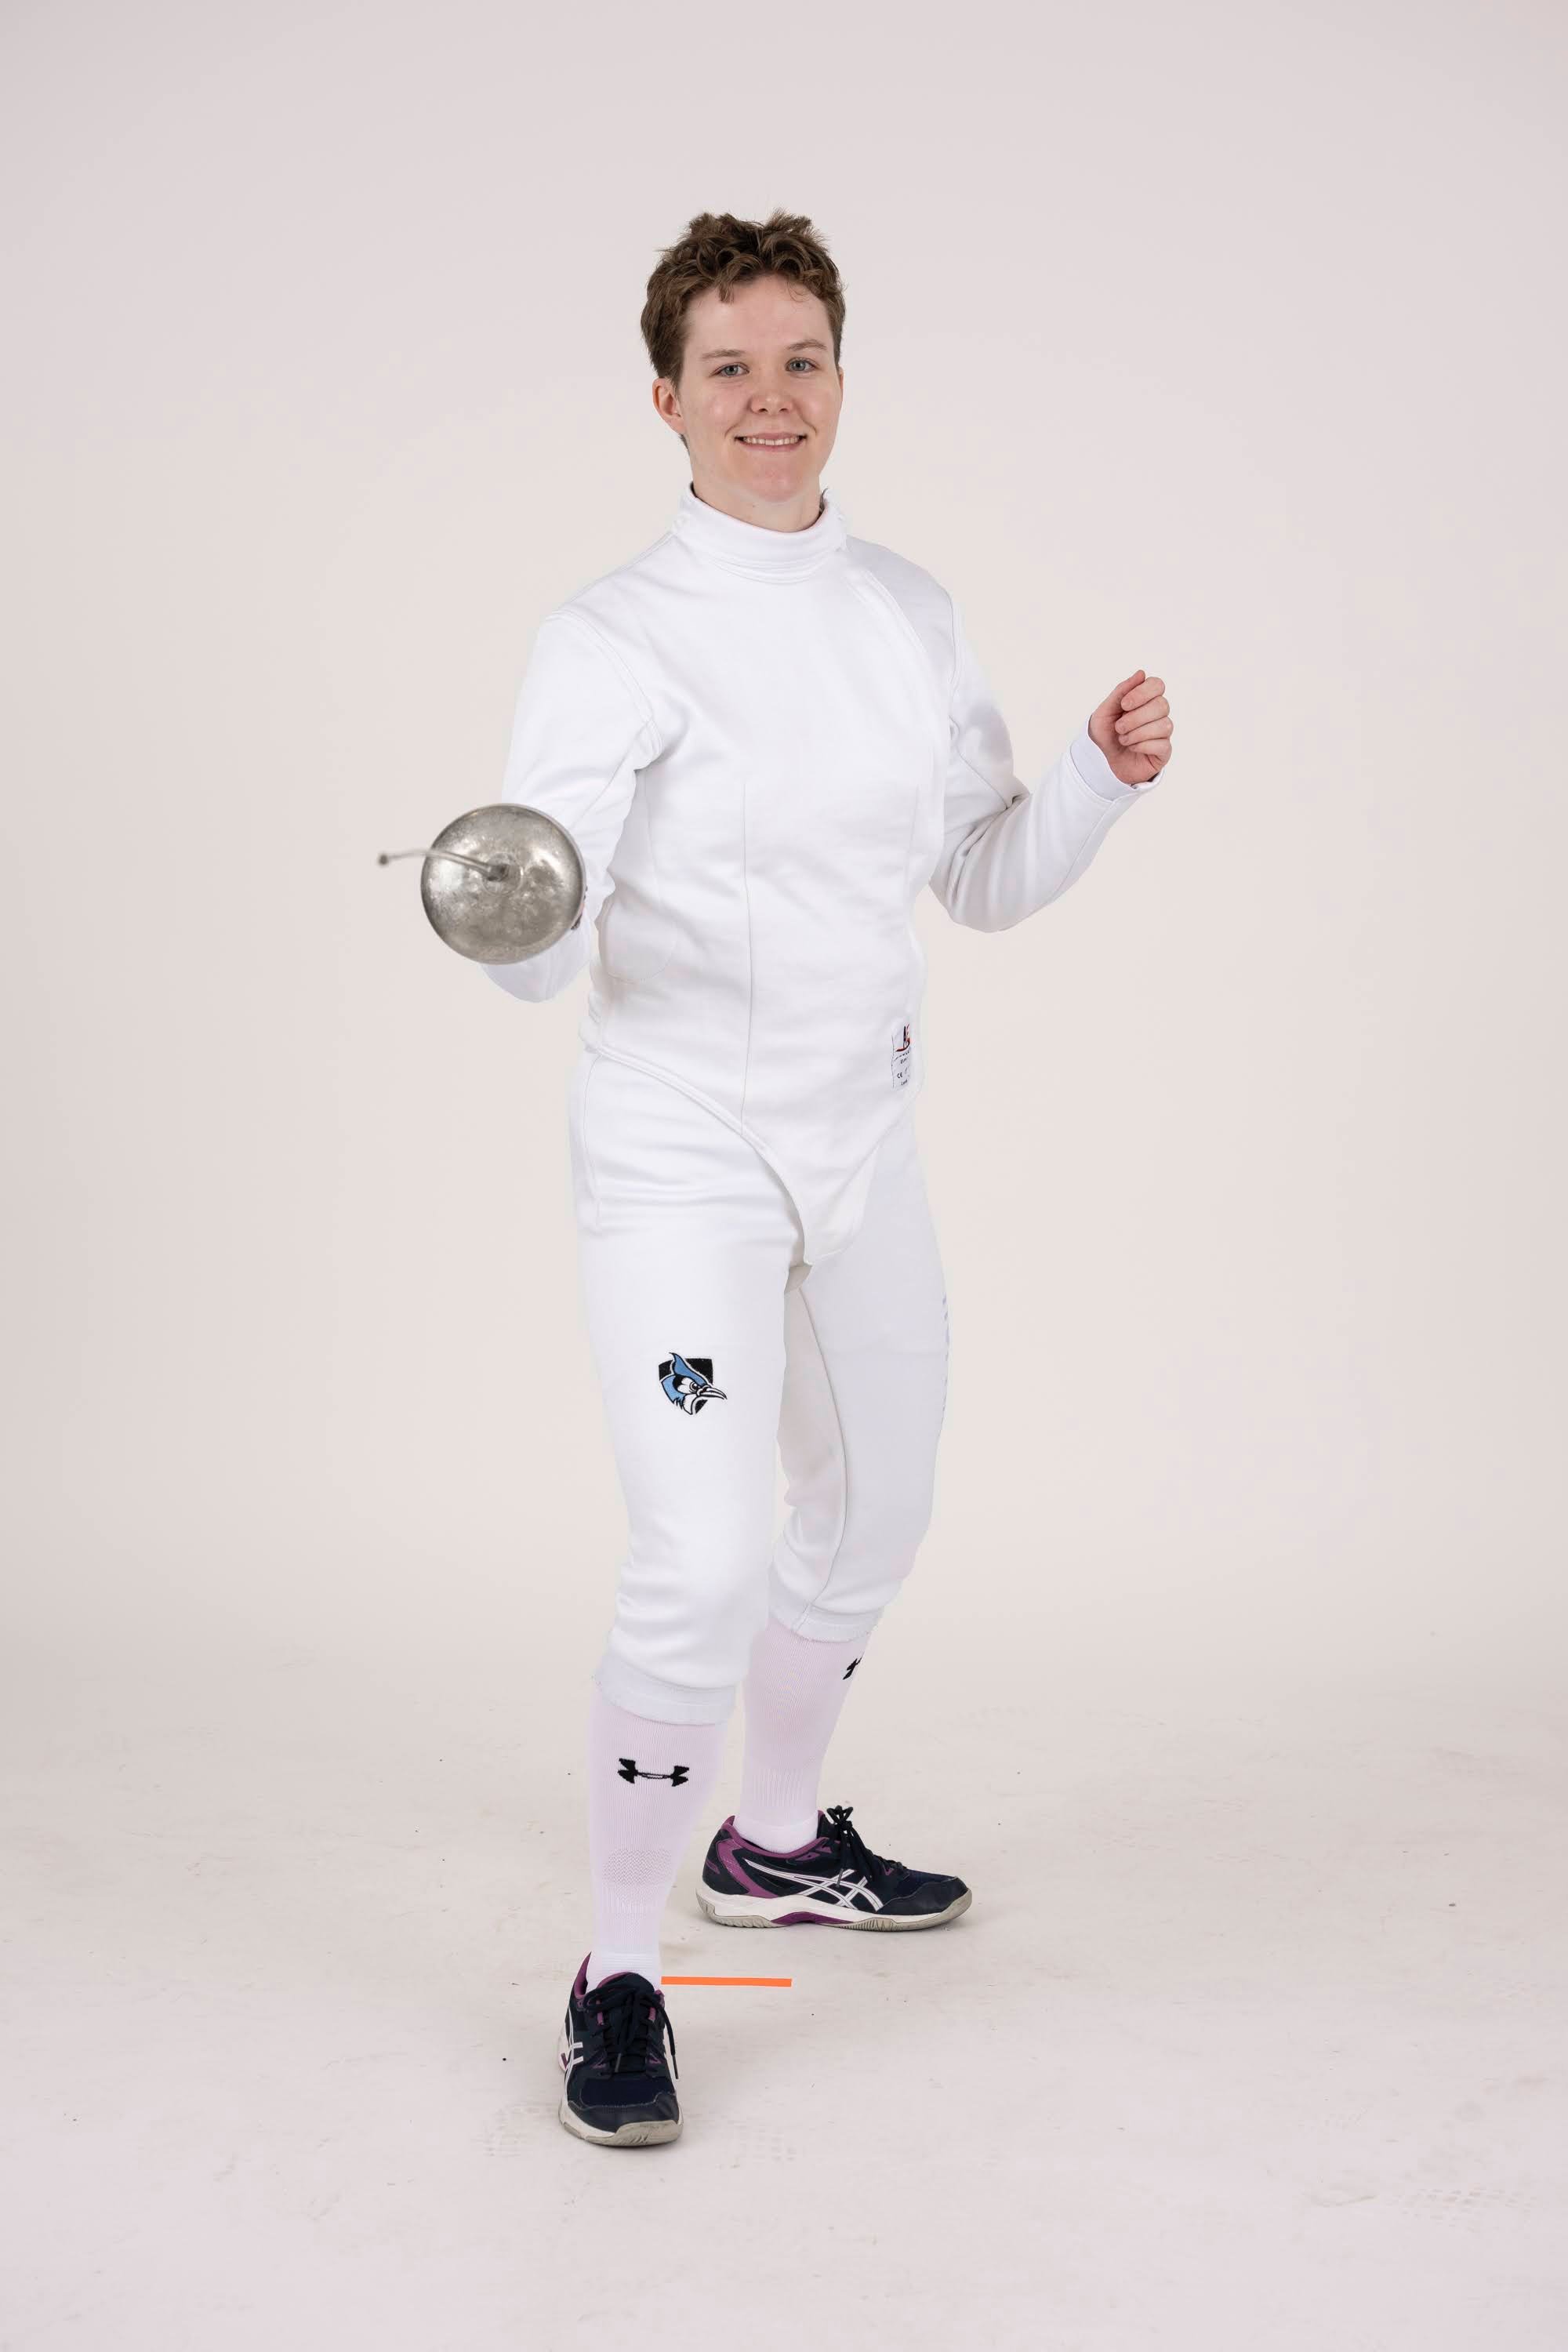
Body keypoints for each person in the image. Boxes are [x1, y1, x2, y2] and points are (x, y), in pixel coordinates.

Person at [480, 209, 1174, 2147]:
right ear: (666, 400)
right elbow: (543, 944)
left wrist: (1095, 784)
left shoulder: (907, 613)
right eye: (730, 368)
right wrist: (512, 898)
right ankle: (621, 1963)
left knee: (874, 1511)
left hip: (860, 1137)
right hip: (681, 1149)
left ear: (840, 383)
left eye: (801, 362)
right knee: (702, 1556)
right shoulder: (608, 637)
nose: (769, 400)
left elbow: (983, 883)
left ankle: (770, 1842)